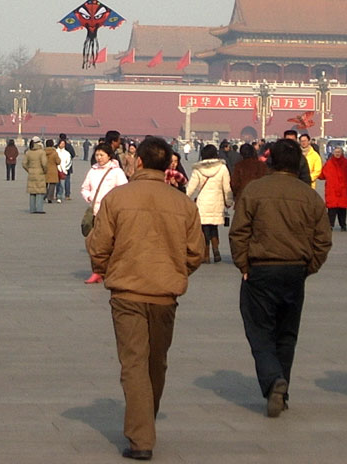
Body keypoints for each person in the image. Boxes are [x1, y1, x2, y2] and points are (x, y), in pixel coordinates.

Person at [85, 136, 205, 460]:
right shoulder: (183, 203)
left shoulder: (117, 199)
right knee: (156, 362)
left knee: (134, 363)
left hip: (127, 292)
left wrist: (105, 269)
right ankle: (144, 423)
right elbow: (197, 252)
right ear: (168, 165)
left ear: (138, 162)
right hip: (165, 295)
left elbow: (98, 245)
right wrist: (175, 272)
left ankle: (141, 437)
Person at [229, 139, 332, 417]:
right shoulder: (309, 196)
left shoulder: (255, 190)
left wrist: (243, 263)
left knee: (259, 330)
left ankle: (274, 379)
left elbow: (239, 231)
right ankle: (281, 391)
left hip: (260, 269)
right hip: (294, 269)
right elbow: (323, 239)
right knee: (286, 333)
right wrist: (309, 266)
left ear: (271, 160)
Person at [80, 142, 129, 283]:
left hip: (111, 213)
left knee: (110, 243)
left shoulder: (116, 172)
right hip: (95, 212)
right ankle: (97, 271)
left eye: (102, 155)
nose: (99, 158)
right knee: (93, 243)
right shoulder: (93, 171)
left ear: (109, 156)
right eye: (97, 155)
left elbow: (123, 190)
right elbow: (84, 188)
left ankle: (111, 270)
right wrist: (89, 197)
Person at [186, 144, 233, 264]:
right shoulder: (222, 168)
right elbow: (226, 187)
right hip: (217, 201)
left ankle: (206, 254)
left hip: (203, 201)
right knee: (214, 227)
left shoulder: (198, 169)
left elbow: (191, 187)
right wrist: (228, 201)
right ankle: (216, 251)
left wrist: (184, 198)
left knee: (204, 228)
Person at [320, 145, 347, 231]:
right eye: (336, 152)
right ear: (333, 153)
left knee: (342, 209)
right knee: (332, 209)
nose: (337, 154)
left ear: (342, 153)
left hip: (343, 189)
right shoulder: (329, 164)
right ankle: (330, 225)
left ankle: (343, 225)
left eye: (339, 152)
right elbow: (322, 175)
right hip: (332, 189)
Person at [22, 138, 48, 213]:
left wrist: (29, 170)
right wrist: (45, 170)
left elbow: (24, 163)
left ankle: (32, 209)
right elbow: (44, 163)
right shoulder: (41, 152)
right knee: (40, 191)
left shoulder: (28, 152)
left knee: (32, 191)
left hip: (31, 173)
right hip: (40, 173)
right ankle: (39, 208)